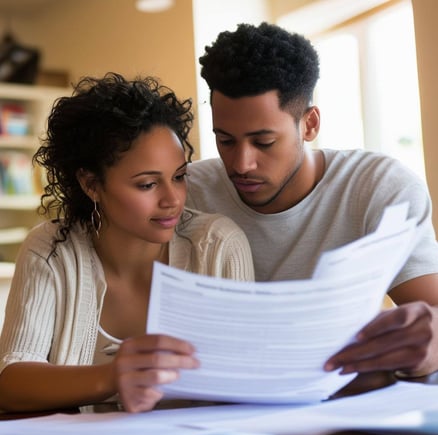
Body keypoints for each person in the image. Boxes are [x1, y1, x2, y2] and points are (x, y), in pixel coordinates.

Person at [186, 22, 438, 379]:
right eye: (225, 141)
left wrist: (430, 341)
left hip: (349, 401)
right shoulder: (187, 191)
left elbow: (432, 313)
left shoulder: (379, 187)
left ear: (310, 124)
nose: (241, 163)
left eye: (263, 142)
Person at [0, 72, 254, 413]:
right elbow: (10, 382)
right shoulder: (51, 249)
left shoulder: (217, 245)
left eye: (179, 177)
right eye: (147, 184)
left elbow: (248, 380)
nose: (173, 200)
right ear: (91, 184)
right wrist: (112, 377)